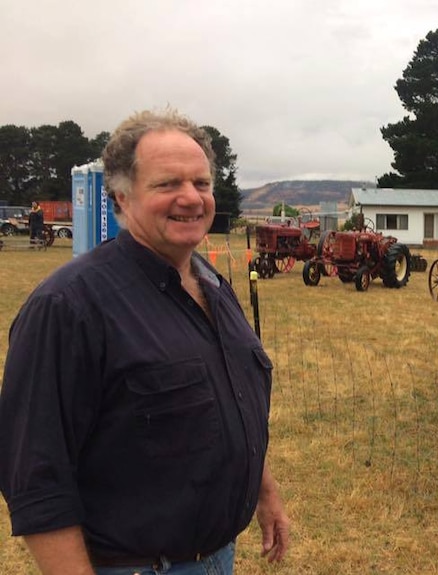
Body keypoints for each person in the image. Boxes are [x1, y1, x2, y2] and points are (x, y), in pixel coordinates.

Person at [0, 109, 290, 574]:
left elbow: (231, 401)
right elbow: (37, 479)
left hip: (218, 557)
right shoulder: (68, 307)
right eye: (167, 184)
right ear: (121, 198)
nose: (191, 199)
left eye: (201, 183)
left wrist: (264, 490)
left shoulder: (211, 282)